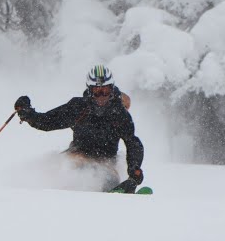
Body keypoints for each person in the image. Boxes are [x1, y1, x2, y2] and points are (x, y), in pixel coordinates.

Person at [14, 65, 145, 193]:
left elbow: (133, 143)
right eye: (96, 91)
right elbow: (48, 121)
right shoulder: (78, 107)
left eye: (105, 91)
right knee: (68, 172)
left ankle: (113, 196)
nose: (101, 96)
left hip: (106, 161)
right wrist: (28, 113)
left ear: (112, 90)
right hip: (77, 155)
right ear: (89, 90)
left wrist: (134, 168)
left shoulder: (120, 114)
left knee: (105, 178)